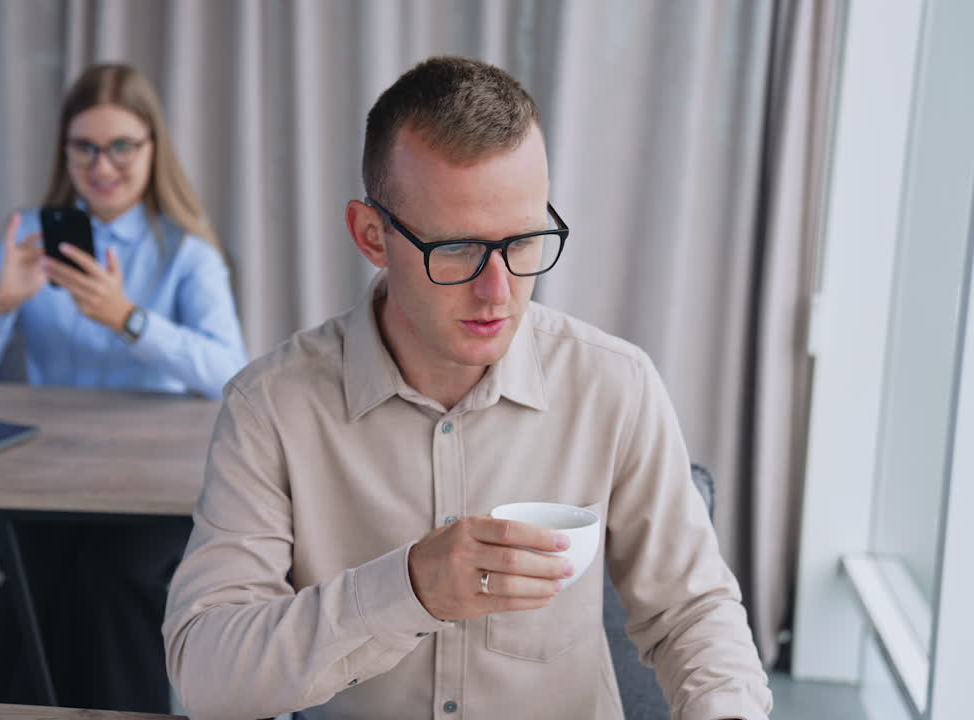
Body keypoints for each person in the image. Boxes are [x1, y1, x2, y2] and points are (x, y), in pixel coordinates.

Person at [163, 56, 772, 720]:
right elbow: (206, 675)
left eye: (523, 241)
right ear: (372, 236)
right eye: (455, 248)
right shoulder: (271, 407)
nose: (498, 290)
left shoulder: (614, 385)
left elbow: (693, 612)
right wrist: (409, 588)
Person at [0, 63, 246, 712]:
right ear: (65, 150)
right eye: (85, 147)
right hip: (52, 477)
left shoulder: (185, 252)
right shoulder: (27, 236)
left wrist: (128, 320)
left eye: (121, 146)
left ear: (152, 148)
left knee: (113, 587)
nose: (102, 165)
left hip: (154, 484)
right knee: (24, 597)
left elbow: (229, 374)